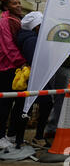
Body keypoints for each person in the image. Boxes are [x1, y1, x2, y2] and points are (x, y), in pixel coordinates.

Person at [15, 12, 54, 147]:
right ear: (37, 26)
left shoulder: (31, 37)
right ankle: (32, 137)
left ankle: (20, 139)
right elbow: (35, 60)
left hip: (35, 77)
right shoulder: (32, 39)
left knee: (26, 107)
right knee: (32, 106)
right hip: (35, 78)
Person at [0, 0, 26, 149]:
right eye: (14, 3)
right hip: (6, 67)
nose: (18, 5)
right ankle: (0, 136)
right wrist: (21, 62)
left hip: (14, 66)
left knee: (15, 102)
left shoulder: (17, 19)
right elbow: (8, 46)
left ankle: (9, 134)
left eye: (19, 2)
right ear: (6, 6)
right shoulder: (5, 21)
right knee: (4, 104)